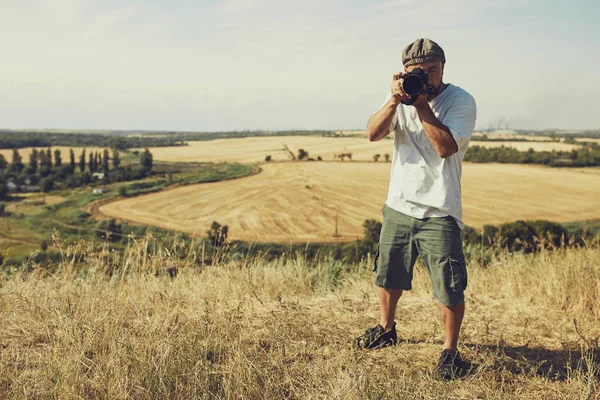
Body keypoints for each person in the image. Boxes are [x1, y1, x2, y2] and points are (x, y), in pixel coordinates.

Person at [354, 38, 477, 380]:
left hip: (440, 209)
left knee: (449, 285)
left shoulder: (461, 101)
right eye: (417, 73)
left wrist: (422, 105)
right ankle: (385, 328)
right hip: (399, 204)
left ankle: (450, 352)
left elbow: (445, 148)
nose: (425, 78)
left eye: (432, 71)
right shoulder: (401, 96)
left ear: (443, 68)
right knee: (388, 273)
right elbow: (372, 134)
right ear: (406, 72)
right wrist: (394, 100)